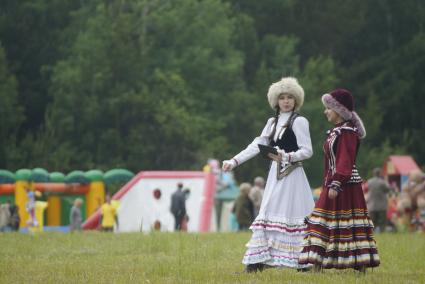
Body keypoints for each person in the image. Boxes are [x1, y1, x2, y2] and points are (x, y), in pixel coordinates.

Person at [222, 77, 315, 272]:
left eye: (290, 97)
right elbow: (257, 145)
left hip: (293, 175)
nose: (286, 101)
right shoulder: (272, 122)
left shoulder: (299, 121)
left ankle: (303, 262)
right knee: (267, 214)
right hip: (275, 174)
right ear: (276, 100)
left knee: (292, 215)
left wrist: (286, 155)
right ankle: (255, 264)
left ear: (296, 99)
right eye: (282, 97)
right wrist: (234, 161)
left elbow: (307, 151)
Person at [299, 88, 380, 272]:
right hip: (332, 183)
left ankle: (358, 266)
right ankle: (317, 264)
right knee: (323, 222)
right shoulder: (336, 131)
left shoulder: (347, 132)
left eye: (328, 108)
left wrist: (337, 182)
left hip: (345, 186)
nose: (325, 111)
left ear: (339, 110)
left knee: (346, 224)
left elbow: (345, 160)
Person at [366, 168, 391, 233]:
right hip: (381, 205)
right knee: (382, 222)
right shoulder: (382, 182)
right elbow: (388, 190)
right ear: (379, 174)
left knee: (372, 222)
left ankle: (372, 234)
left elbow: (366, 189)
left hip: (372, 205)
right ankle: (382, 233)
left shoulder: (369, 181)